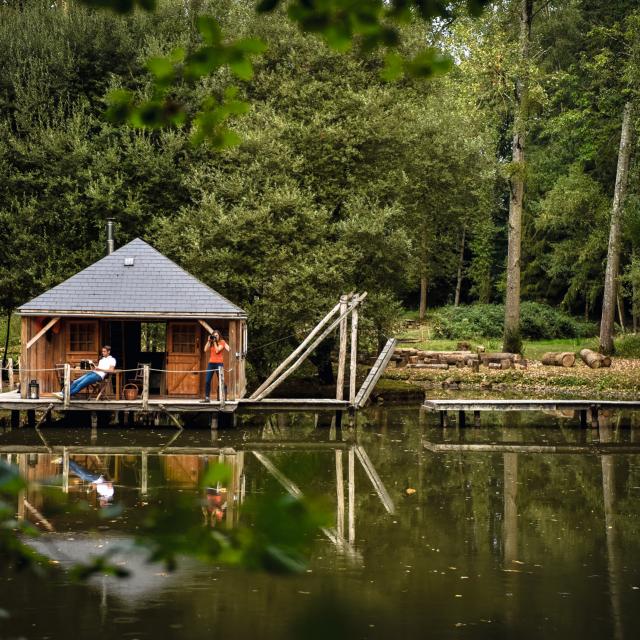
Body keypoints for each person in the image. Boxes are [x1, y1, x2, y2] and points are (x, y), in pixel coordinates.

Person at [200, 330, 227, 403]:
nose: (215, 337)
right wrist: (209, 341)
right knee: (207, 381)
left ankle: (223, 397)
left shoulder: (222, 342)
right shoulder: (211, 343)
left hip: (219, 364)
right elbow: (205, 350)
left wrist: (214, 342)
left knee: (221, 381)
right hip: (211, 363)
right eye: (214, 335)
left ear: (219, 336)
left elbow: (217, 350)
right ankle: (207, 398)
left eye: (217, 335)